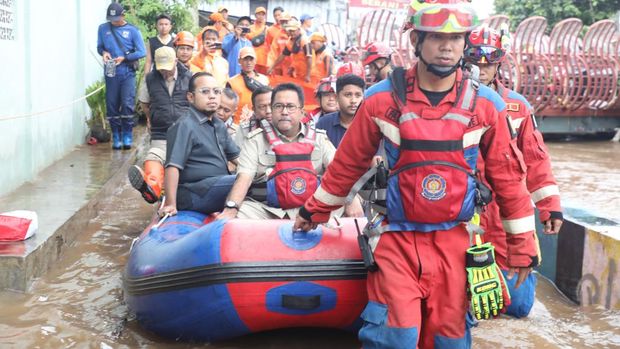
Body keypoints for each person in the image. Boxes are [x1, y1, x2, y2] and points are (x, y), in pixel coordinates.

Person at [293, 1, 540, 348]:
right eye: (437, 36)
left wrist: (522, 247)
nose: (447, 46)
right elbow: (348, 164)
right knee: (396, 337)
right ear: (416, 41)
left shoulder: (486, 106)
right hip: (395, 239)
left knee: (449, 339)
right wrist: (312, 211)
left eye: (455, 38)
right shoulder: (380, 100)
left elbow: (508, 178)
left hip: (455, 241)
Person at [464, 25, 563, 318]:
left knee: (518, 308)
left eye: (489, 63)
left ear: (498, 63)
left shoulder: (517, 107)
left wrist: (550, 207)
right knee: (465, 304)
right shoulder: (450, 103)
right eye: (474, 62)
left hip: (508, 208)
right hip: (463, 208)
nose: (481, 70)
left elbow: (536, 159)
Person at [217, 83, 362, 220]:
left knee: (352, 205)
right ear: (272, 110)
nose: (284, 112)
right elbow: (244, 177)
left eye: (290, 107)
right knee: (239, 214)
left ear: (302, 112)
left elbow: (338, 171)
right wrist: (232, 208)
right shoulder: (255, 140)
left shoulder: (319, 138)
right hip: (266, 209)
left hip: (312, 208)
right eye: (278, 106)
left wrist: (352, 200)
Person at [159, 72, 240, 217]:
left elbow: (237, 158)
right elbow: (172, 166)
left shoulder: (218, 125)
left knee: (251, 178)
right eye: (205, 92)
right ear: (191, 97)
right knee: (243, 181)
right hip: (195, 192)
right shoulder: (185, 125)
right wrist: (171, 204)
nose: (212, 96)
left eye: (216, 92)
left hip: (218, 186)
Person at [131, 46, 192, 204]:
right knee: (154, 157)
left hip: (184, 132)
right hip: (161, 131)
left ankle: (179, 194)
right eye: (161, 68)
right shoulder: (150, 78)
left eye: (168, 68)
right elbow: (145, 103)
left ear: (176, 61)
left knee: (183, 162)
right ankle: (152, 189)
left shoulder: (189, 77)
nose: (165, 72)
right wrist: (152, 118)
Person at [97, 2, 146, 150]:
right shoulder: (103, 28)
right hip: (111, 68)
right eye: (111, 19)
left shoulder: (132, 30)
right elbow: (100, 47)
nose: (114, 21)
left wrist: (125, 58)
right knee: (111, 104)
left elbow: (142, 52)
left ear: (123, 15)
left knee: (127, 103)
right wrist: (104, 53)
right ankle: (116, 137)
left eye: (117, 18)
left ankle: (127, 135)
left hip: (127, 70)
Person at [316, 74, 365, 148]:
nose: (353, 101)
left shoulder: (370, 125)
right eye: (348, 95)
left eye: (358, 95)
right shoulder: (323, 123)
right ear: (337, 97)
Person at [227, 47, 269, 124]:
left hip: (261, 122)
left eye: (251, 59)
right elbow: (227, 106)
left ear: (255, 61)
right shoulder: (232, 82)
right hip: (238, 124)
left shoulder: (265, 79)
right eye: (245, 59)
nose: (248, 62)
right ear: (239, 61)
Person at [266, 10, 290, 75]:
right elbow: (273, 52)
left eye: (286, 21)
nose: (284, 24)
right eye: (282, 22)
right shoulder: (279, 34)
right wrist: (270, 66)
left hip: (292, 67)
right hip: (279, 65)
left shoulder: (297, 33)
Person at [247, 7, 269, 74]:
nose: (261, 16)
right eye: (259, 14)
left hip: (263, 59)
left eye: (263, 14)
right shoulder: (250, 28)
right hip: (252, 57)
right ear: (255, 15)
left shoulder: (267, 29)